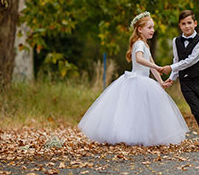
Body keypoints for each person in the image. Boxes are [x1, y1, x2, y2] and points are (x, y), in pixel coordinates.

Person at [78, 11, 188, 146]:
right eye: (149, 27)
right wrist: (156, 65)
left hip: (145, 80)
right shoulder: (139, 44)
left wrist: (160, 82)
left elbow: (152, 67)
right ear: (140, 29)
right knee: (133, 110)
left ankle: (143, 136)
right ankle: (129, 135)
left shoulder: (146, 44)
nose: (152, 30)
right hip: (136, 80)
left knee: (144, 111)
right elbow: (139, 59)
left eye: (153, 27)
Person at [161, 10, 199, 149]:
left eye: (189, 23)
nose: (187, 26)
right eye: (183, 24)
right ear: (179, 25)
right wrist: (172, 78)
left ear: (195, 24)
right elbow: (177, 60)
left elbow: (191, 60)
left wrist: (171, 67)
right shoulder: (176, 41)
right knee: (197, 111)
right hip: (186, 82)